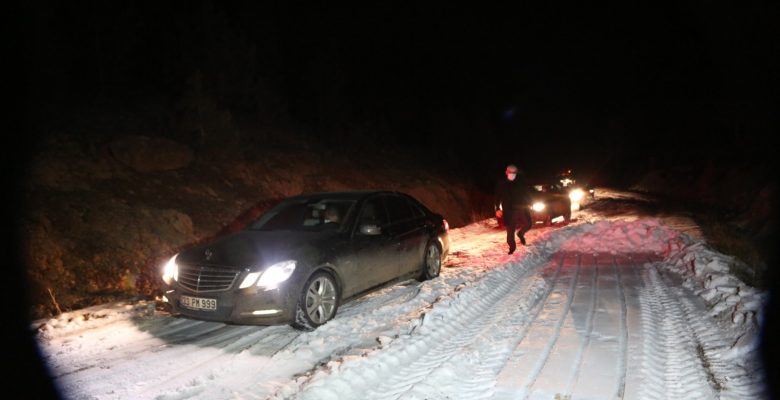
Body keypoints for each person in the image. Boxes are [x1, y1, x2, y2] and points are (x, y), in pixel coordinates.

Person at [494, 164, 533, 254]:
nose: (512, 174)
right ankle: (512, 248)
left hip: (521, 208)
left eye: (514, 173)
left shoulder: (520, 182)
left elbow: (526, 193)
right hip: (509, 210)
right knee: (510, 230)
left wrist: (530, 202)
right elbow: (497, 197)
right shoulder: (502, 183)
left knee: (528, 224)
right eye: (510, 172)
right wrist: (497, 208)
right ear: (506, 172)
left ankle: (520, 234)